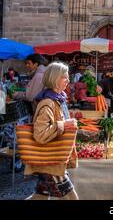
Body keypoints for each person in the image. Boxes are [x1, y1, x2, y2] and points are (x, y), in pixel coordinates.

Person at [25, 61, 79, 200]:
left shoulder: (57, 99)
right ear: (54, 79)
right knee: (72, 198)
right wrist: (64, 124)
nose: (68, 80)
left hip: (51, 160)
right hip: (52, 163)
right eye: (64, 77)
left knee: (39, 197)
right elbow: (40, 134)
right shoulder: (48, 103)